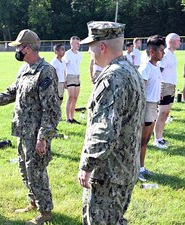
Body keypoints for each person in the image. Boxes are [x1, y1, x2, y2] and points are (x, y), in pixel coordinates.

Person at [0, 29, 60, 225]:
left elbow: (52, 110)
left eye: (19, 47)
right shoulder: (24, 70)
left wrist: (43, 137)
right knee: (24, 168)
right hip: (22, 131)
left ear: (28, 48)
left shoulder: (45, 71)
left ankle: (45, 212)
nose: (17, 50)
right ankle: (34, 202)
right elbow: (10, 93)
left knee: (36, 170)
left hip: (36, 134)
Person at [78, 21, 146, 225]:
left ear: (102, 47)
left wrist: (87, 166)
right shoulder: (130, 70)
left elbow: (104, 132)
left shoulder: (112, 77)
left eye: (91, 46)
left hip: (108, 174)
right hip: (124, 168)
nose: (89, 51)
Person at [138, 35, 165, 182]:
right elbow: (140, 92)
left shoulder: (156, 67)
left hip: (153, 106)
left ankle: (142, 167)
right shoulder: (146, 68)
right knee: (141, 140)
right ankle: (136, 170)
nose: (163, 53)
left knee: (146, 140)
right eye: (161, 50)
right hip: (147, 106)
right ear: (152, 51)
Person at [154, 33, 181, 149]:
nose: (180, 42)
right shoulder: (165, 55)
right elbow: (158, 71)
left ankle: (160, 137)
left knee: (166, 113)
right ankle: (157, 139)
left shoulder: (172, 54)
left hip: (171, 86)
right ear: (171, 42)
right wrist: (159, 89)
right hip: (164, 86)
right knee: (162, 113)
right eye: (178, 40)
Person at [63, 36, 82, 124]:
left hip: (77, 76)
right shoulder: (67, 54)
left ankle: (72, 117)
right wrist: (65, 79)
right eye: (76, 43)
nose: (78, 45)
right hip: (70, 76)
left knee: (75, 98)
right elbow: (64, 67)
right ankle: (67, 118)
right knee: (70, 97)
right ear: (71, 44)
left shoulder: (79, 54)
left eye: (79, 43)